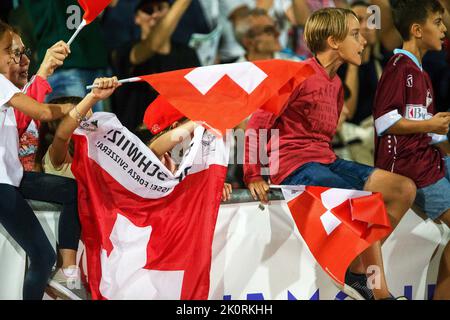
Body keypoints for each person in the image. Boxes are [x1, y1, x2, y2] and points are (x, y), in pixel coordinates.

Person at [243, 8, 416, 300]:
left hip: (326, 161)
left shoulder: (336, 83)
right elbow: (258, 123)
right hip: (292, 166)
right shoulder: (296, 73)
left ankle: (358, 270)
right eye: (355, 34)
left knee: (403, 188)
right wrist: (252, 174)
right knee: (363, 203)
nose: (364, 41)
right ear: (334, 41)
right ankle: (380, 293)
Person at [373, 0, 450, 300]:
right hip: (409, 168)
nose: (444, 29)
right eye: (438, 22)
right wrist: (429, 124)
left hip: (427, 160)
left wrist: (436, 127)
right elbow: (384, 121)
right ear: (417, 30)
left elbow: (421, 127)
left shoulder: (422, 72)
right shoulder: (398, 67)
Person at [5, 30, 86, 300]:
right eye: (14, 53)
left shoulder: (12, 94)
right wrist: (86, 102)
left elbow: (19, 119)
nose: (22, 59)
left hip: (13, 180)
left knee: (72, 190)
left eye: (24, 52)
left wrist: (44, 72)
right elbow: (36, 114)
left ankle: (68, 271)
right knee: (42, 254)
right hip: (4, 184)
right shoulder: (4, 88)